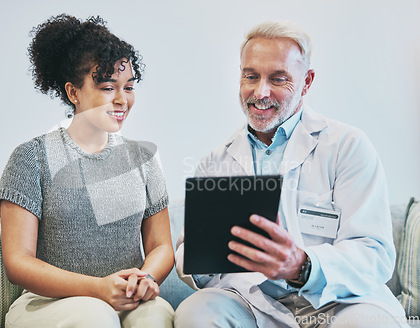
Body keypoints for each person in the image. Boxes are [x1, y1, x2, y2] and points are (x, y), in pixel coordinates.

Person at [174, 21, 409, 328]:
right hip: (254, 303)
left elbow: (373, 253)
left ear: (307, 81)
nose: (260, 92)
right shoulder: (215, 163)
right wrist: (198, 259)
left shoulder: (347, 147)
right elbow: (194, 258)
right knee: (196, 313)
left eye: (278, 78)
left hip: (339, 301)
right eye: (251, 76)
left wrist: (302, 266)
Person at [0, 14, 174, 328]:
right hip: (48, 305)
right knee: (96, 316)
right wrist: (99, 289)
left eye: (128, 87)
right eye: (107, 87)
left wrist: (143, 278)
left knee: (157, 316)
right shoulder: (32, 158)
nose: (122, 100)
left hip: (124, 299)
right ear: (73, 92)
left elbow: (161, 246)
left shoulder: (142, 160)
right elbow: (18, 263)